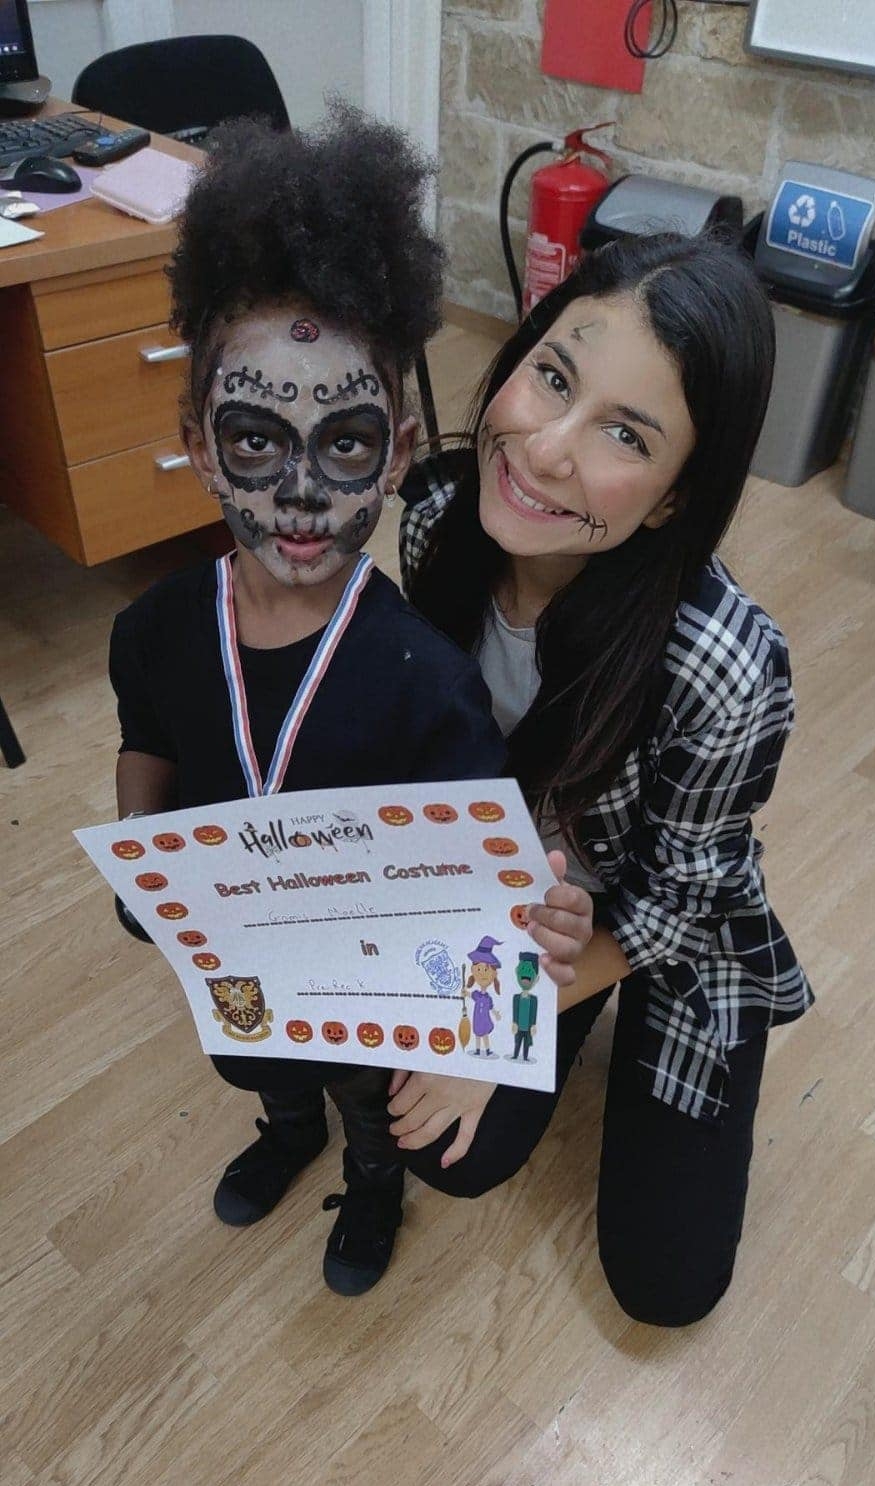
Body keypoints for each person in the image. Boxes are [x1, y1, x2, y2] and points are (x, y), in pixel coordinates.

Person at [109, 108, 592, 1298]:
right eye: (255, 441)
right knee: (257, 1063)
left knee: (363, 1094)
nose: (300, 494)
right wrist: (142, 862)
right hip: (236, 955)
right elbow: (148, 748)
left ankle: (370, 1178)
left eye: (346, 443)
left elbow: (488, 875)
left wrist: (537, 924)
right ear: (196, 441)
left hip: (366, 980)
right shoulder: (155, 630)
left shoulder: (428, 679)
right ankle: (286, 1132)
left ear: (401, 451)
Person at [389, 232, 815, 1326]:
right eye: (553, 376)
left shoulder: (723, 665)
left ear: (673, 498)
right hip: (522, 893)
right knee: (445, 1150)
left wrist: (498, 1027)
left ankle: (633, 1023)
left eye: (625, 434)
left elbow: (683, 896)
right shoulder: (438, 518)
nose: (543, 450)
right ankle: (567, 1012)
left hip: (659, 914)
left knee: (666, 1283)